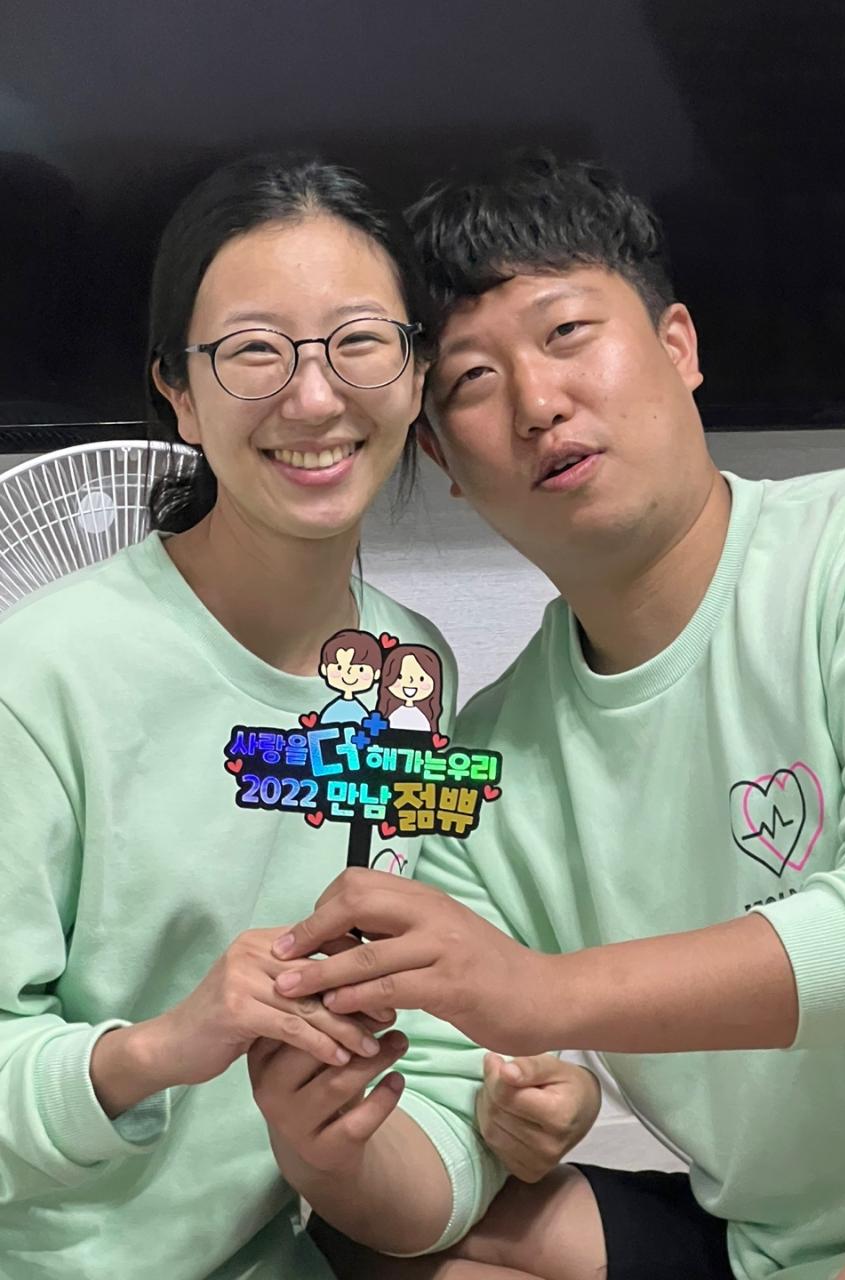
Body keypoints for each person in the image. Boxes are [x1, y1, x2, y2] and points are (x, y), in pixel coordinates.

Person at [261, 153, 845, 1279]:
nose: (538, 403)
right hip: (774, 1240)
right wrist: (332, 1148)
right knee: (377, 1247)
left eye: (568, 332)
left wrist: (543, 992)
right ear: (439, 455)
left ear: (678, 345)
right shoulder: (486, 756)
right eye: (473, 380)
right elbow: (436, 1135)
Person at [0, 151, 599, 1280]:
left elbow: (414, 1006)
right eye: (253, 351)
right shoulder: (42, 676)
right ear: (178, 392)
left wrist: (501, 1106)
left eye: (359, 341)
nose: (314, 397)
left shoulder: (408, 670)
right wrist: (156, 1050)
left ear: (414, 376)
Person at [319, 627, 382, 725]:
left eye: (361, 669)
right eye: (339, 667)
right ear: (324, 669)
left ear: (376, 674)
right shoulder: (332, 711)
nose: (349, 674)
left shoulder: (361, 711)